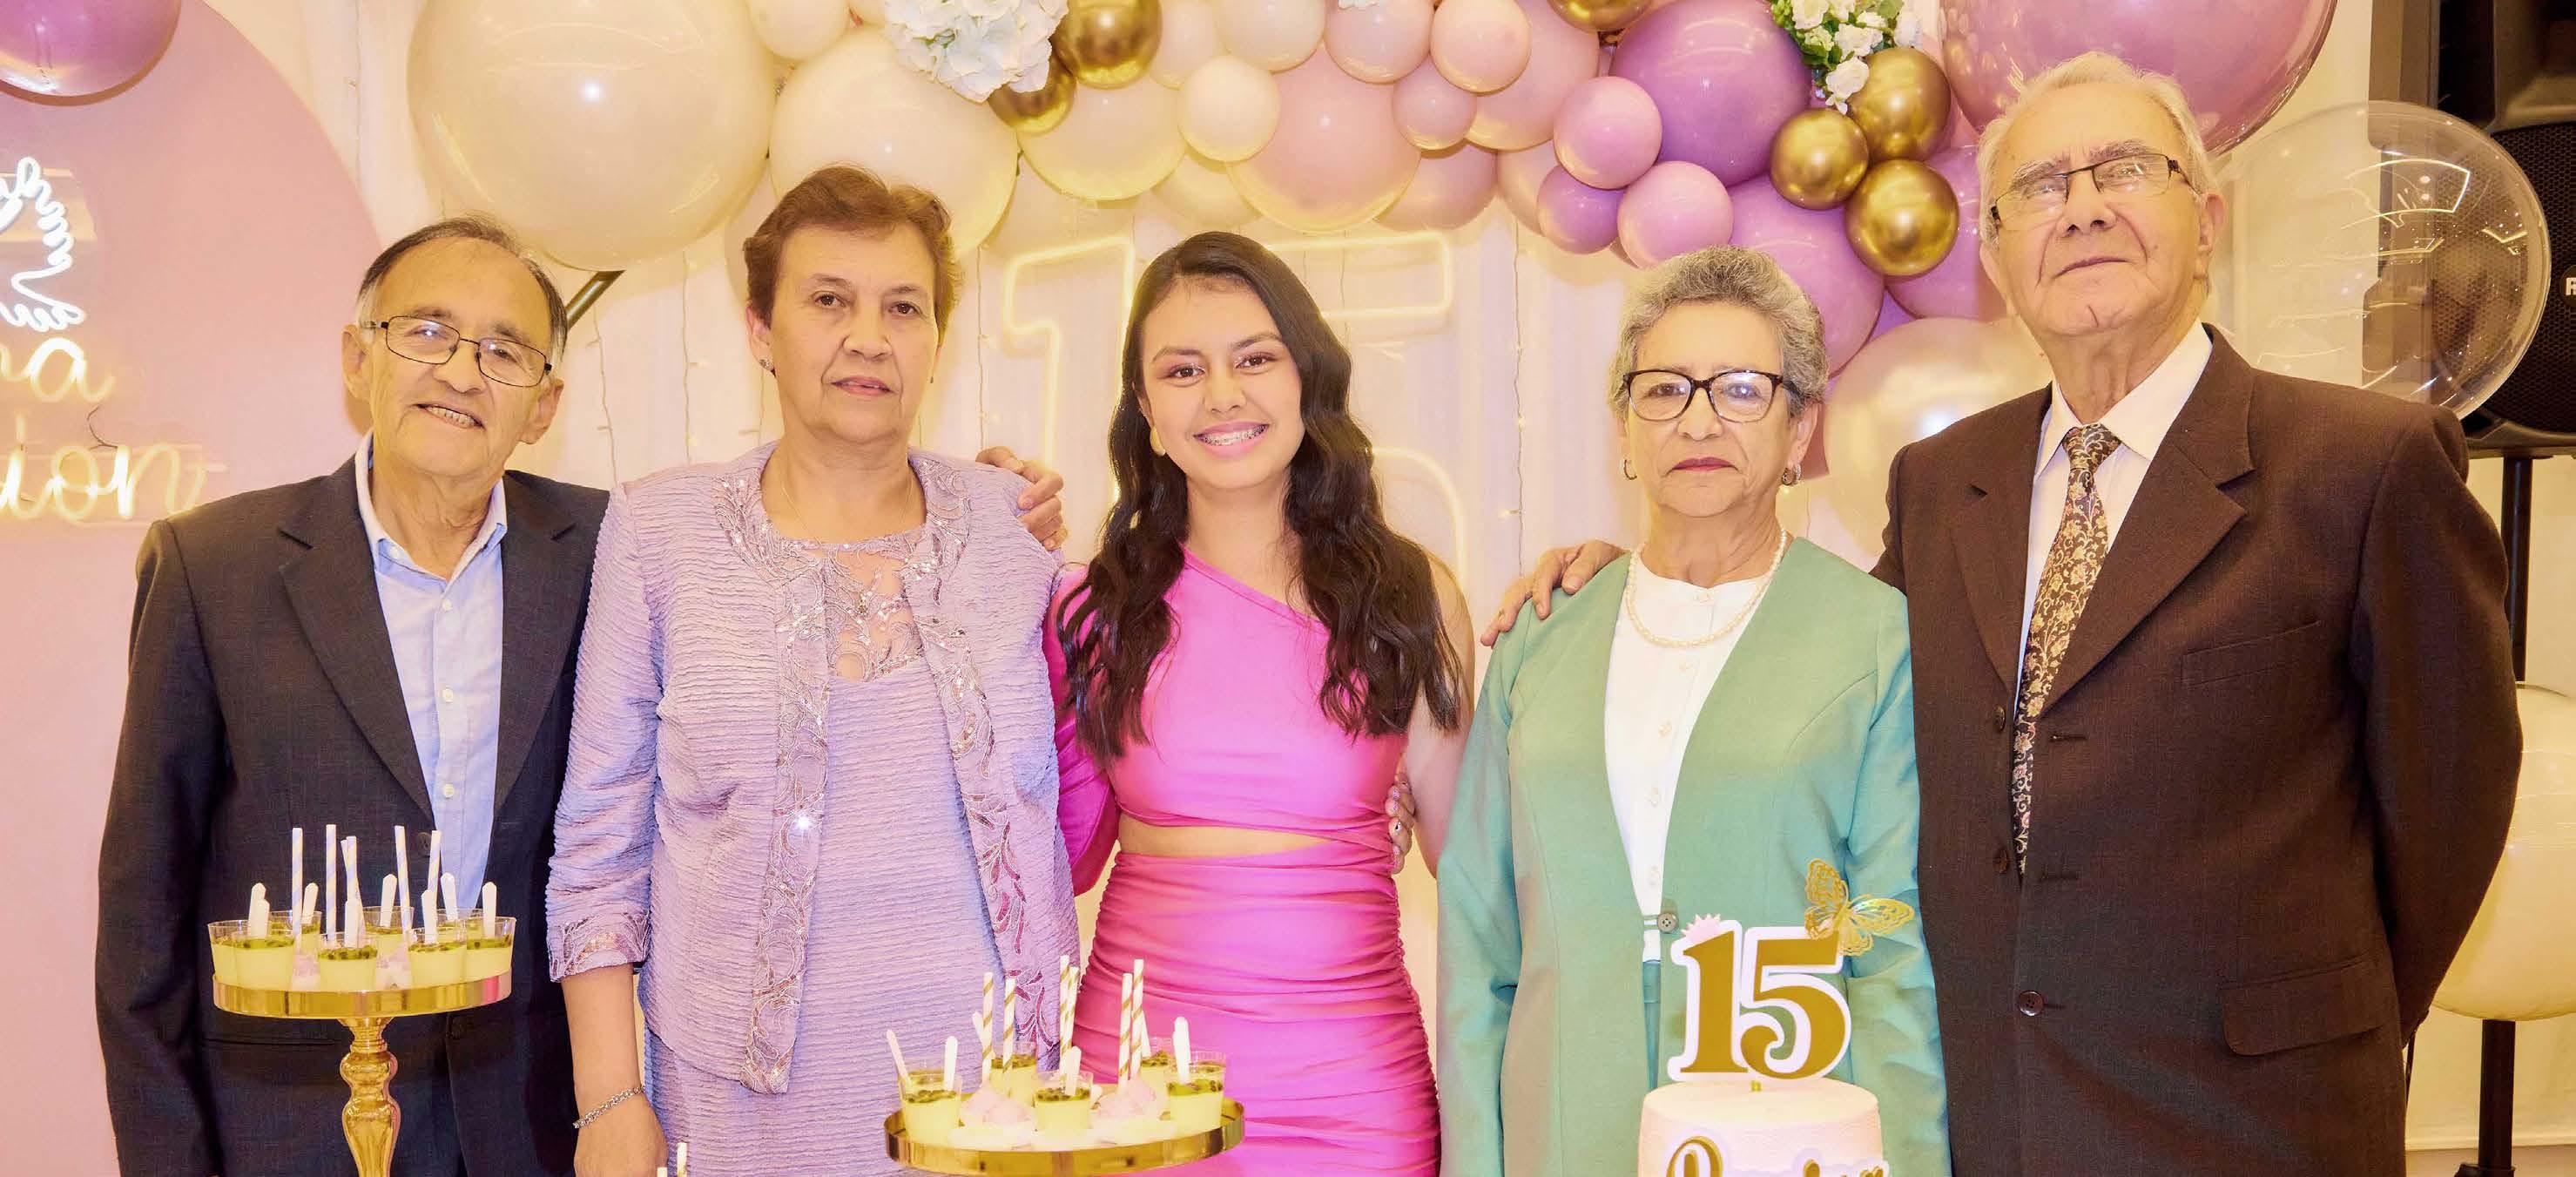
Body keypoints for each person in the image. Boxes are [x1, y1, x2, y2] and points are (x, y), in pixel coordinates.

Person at [1483, 53, 2519, 1177]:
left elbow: (2448, 812)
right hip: (1994, 1117)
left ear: (2208, 223)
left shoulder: (2362, 468)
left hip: (2252, 1121)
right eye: (2040, 186)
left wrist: (2314, 1016)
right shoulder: (1946, 482)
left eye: (2126, 169)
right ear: (1995, 254)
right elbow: (1816, 670)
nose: (2083, 208)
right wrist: (1641, 579)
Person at [543, 166, 1086, 1177]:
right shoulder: (660, 534)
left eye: (903, 307)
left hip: (999, 1099)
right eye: (829, 300)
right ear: (761, 329)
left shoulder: (1014, 529)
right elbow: (598, 845)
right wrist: (608, 1098)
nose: (868, 337)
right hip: (739, 1106)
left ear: (936, 340)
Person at [95, 216, 590, 1176]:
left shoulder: (607, 554)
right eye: (428, 332)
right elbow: (143, 908)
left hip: (533, 1125)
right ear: (358, 359)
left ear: (543, 405)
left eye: (503, 351)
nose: (461, 372)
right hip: (289, 1125)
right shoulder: (213, 565)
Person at [1437, 247, 1945, 1177]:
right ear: (1625, 431)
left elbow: (1890, 944)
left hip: (1782, 1123)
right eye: (1665, 389)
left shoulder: (1875, 636)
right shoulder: (1541, 635)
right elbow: (1478, 943)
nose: (1699, 418)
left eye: (1742, 389)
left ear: (1800, 427)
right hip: (1562, 1120)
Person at [1048, 231, 1472, 1174]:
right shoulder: (1091, 608)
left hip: (1353, 1090)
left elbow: (1477, 868)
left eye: (1255, 359)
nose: (1222, 395)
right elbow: (1063, 857)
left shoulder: (1410, 595)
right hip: (1138, 1085)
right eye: (1182, 370)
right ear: (1146, 412)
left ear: (1306, 379)